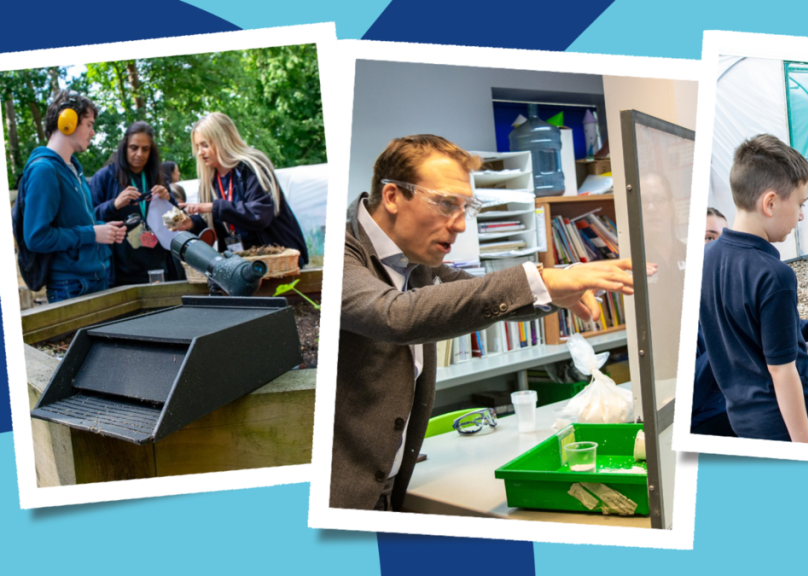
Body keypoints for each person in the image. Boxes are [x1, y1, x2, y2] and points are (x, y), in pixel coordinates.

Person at [329, 135, 648, 511]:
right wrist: (545, 281)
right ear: (394, 196)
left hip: (388, 489)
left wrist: (555, 291)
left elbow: (472, 294)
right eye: (447, 203)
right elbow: (396, 314)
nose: (461, 224)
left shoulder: (411, 258)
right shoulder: (340, 251)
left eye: (467, 207)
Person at [700, 134, 808, 444]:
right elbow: (783, 371)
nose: (802, 215)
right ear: (770, 203)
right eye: (801, 204)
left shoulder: (706, 259)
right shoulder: (775, 275)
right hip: (790, 426)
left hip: (743, 420)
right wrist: (806, 446)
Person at [19, 90, 125, 303]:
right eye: (89, 124)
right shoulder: (44, 170)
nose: (93, 132)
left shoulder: (74, 169)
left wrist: (104, 229)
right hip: (71, 287)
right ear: (68, 121)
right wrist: (92, 234)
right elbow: (37, 237)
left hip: (94, 280)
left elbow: (78, 224)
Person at [176, 112, 309, 266]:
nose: (200, 152)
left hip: (277, 260)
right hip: (242, 265)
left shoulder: (253, 166)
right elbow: (218, 223)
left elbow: (259, 214)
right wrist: (192, 223)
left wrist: (214, 206)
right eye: (197, 146)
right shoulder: (209, 181)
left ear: (222, 141)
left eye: (205, 145)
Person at [91, 122, 184, 286]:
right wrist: (114, 205)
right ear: (124, 147)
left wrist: (168, 200)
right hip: (119, 273)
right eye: (134, 148)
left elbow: (176, 223)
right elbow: (89, 220)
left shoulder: (157, 177)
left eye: (145, 149)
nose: (139, 154)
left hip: (158, 268)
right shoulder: (105, 177)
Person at [692, 207, 735, 437]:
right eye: (709, 238)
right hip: (708, 416)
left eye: (725, 238)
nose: (719, 247)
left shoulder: (731, 291)